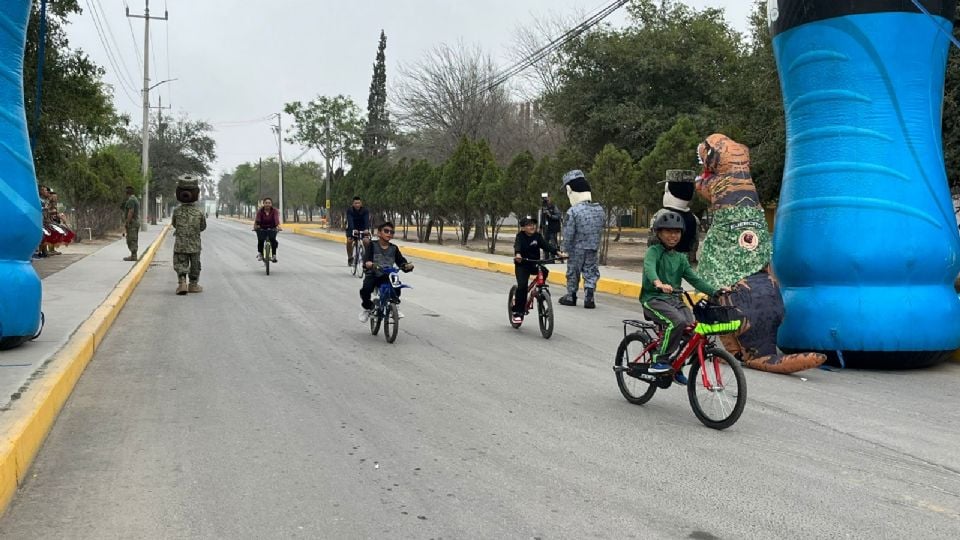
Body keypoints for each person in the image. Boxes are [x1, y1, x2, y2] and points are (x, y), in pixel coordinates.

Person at [640, 211, 726, 381]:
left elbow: (695, 279)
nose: (673, 236)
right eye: (668, 232)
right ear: (659, 233)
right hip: (653, 300)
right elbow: (649, 267)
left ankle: (676, 365)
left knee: (691, 330)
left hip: (675, 301)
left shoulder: (680, 257)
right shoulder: (654, 251)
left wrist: (715, 291)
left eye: (677, 232)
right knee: (676, 322)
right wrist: (658, 283)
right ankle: (659, 359)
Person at [558, 170, 605, 309]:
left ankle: (571, 295)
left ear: (570, 190)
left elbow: (568, 233)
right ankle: (589, 297)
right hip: (593, 246)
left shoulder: (573, 211)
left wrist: (564, 250)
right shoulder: (599, 209)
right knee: (591, 271)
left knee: (573, 271)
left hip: (576, 249)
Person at [511, 215, 563, 324]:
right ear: (523, 227)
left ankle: (540, 290)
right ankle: (518, 312)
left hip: (534, 263)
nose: (532, 227)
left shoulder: (537, 236)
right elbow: (517, 246)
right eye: (529, 225)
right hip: (522, 264)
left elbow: (546, 246)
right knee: (522, 286)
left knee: (544, 271)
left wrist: (558, 253)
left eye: (533, 224)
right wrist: (518, 255)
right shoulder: (520, 236)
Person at [359, 222, 414, 322]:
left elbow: (401, 261)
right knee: (365, 289)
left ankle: (395, 306)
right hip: (373, 274)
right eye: (386, 231)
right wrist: (368, 264)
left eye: (391, 232)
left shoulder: (394, 248)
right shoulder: (372, 245)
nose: (389, 233)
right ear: (379, 233)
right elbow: (366, 259)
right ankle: (367, 308)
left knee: (397, 285)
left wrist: (407, 266)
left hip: (388, 275)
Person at [171, 176, 207, 295]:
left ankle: (182, 283)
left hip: (180, 243)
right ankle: (193, 285)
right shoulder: (199, 212)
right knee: (195, 264)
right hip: (195, 243)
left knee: (181, 262)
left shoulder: (176, 211)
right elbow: (203, 227)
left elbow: (174, 224)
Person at [254, 197, 282, 262]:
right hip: (262, 228)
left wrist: (278, 226)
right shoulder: (260, 211)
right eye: (266, 203)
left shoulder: (275, 211)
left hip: (272, 228)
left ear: (271, 204)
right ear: (263, 204)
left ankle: (274, 255)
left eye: (269, 203)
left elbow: (276, 219)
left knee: (273, 240)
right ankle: (260, 253)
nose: (267, 204)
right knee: (260, 240)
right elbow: (258, 219)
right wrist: (257, 226)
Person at [345, 196, 371, 266]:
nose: (357, 205)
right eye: (355, 203)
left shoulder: (365, 210)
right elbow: (350, 220)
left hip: (362, 228)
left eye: (359, 203)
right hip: (352, 228)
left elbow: (366, 221)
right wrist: (353, 229)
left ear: (361, 204)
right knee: (349, 241)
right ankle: (350, 257)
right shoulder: (350, 210)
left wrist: (366, 229)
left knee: (366, 241)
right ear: (353, 204)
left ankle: (367, 257)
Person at [122, 185, 140, 262]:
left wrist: (127, 222)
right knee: (132, 238)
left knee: (131, 239)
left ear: (127, 193)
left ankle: (133, 256)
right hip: (134, 222)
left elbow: (131, 211)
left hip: (132, 222)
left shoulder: (131, 200)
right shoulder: (134, 199)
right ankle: (133, 255)